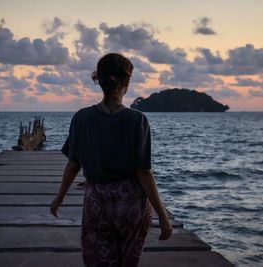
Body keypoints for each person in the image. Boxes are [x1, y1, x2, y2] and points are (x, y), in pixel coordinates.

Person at [50, 53, 172, 267]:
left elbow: (73, 163)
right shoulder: (137, 120)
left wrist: (59, 197)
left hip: (97, 202)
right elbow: (143, 172)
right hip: (131, 203)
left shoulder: (81, 118)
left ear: (99, 80)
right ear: (127, 81)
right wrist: (163, 217)